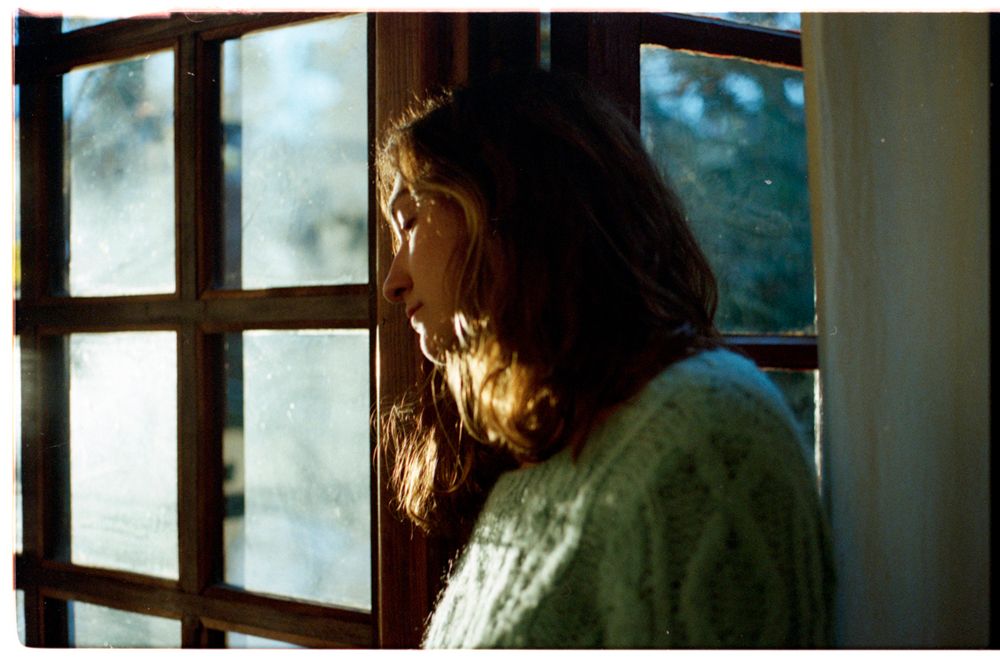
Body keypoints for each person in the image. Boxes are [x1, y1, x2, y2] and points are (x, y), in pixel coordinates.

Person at [377, 69, 833, 648]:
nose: (393, 282)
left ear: (507, 211)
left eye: (409, 222)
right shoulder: (542, 452)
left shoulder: (705, 435)